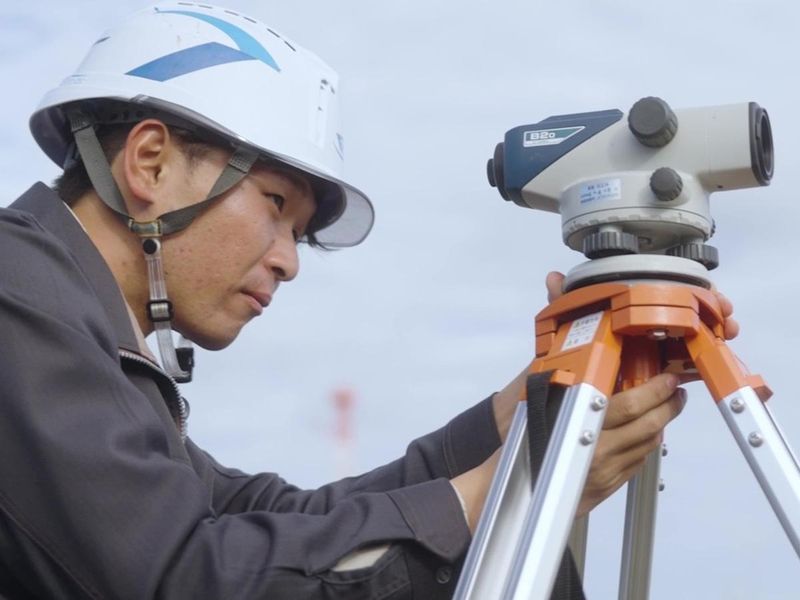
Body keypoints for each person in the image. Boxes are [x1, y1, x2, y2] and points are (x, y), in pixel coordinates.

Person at [0, 3, 738, 599]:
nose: (289, 261)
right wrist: (499, 493)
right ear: (150, 163)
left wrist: (508, 421)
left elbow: (277, 523)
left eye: (300, 233)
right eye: (275, 204)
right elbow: (182, 577)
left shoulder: (72, 324)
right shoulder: (14, 288)